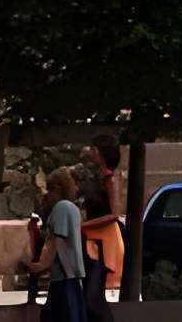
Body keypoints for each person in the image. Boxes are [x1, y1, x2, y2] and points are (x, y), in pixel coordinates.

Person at [27, 169, 86, 322]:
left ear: (58, 189)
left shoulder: (61, 207)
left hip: (63, 277)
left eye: (50, 190)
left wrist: (41, 266)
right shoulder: (72, 209)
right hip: (71, 275)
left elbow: (57, 242)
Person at [78, 138, 122, 321]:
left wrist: (85, 226)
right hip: (92, 241)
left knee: (93, 295)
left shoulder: (108, 179)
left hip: (102, 243)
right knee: (90, 291)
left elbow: (115, 213)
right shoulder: (96, 177)